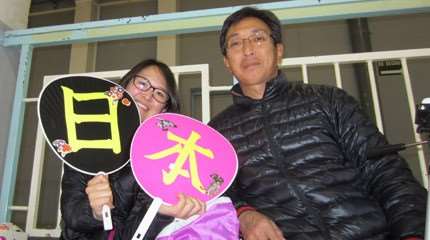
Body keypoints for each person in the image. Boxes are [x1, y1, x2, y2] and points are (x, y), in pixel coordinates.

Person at [208, 7, 426, 240]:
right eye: (236, 43)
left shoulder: (328, 101)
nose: (248, 50)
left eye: (258, 38)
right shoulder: (216, 133)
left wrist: (411, 234)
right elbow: (214, 195)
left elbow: (387, 172)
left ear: (279, 50)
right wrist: (243, 214)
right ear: (227, 62)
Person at [60, 59, 206, 240]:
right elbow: (71, 214)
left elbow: (130, 235)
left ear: (164, 109)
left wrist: (160, 213)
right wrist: (95, 213)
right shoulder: (87, 140)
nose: (147, 95)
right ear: (124, 87)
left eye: (159, 93)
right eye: (142, 83)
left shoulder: (166, 161)